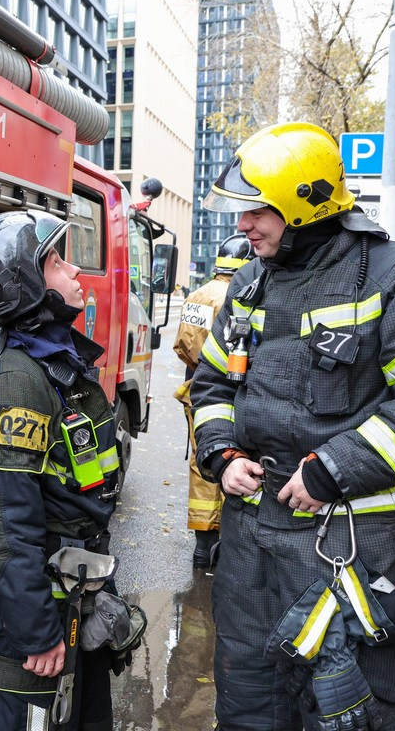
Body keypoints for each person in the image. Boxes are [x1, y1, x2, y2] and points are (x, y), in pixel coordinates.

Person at [190, 122, 395, 731]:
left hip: (344, 541)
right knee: (249, 694)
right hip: (248, 540)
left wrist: (335, 470)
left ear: (302, 202)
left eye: (257, 211)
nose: (243, 226)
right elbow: (211, 384)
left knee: (349, 706)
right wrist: (222, 453)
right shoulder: (248, 282)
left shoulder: (391, 274)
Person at [0, 210, 135, 731]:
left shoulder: (55, 367)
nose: (77, 271)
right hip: (35, 629)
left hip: (75, 605)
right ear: (25, 286)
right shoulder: (15, 383)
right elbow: (2, 523)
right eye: (56, 261)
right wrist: (37, 631)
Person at [174, 233, 255, 567]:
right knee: (232, 458)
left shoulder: (198, 294)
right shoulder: (242, 295)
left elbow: (182, 344)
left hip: (195, 386)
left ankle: (202, 543)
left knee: (201, 461)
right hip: (229, 389)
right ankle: (227, 544)